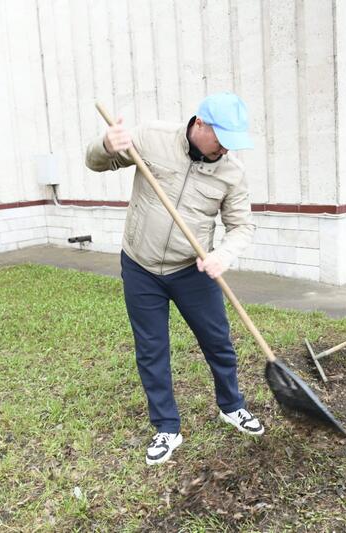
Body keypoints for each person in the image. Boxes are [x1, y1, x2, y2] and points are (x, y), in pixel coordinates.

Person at [85, 93, 263, 466]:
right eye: (221, 139)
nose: (225, 149)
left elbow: (241, 226)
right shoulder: (152, 137)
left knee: (218, 342)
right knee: (152, 349)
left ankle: (231, 406)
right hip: (141, 264)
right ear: (200, 123)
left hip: (192, 269)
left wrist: (222, 255)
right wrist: (106, 145)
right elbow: (96, 163)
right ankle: (167, 427)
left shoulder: (231, 172)